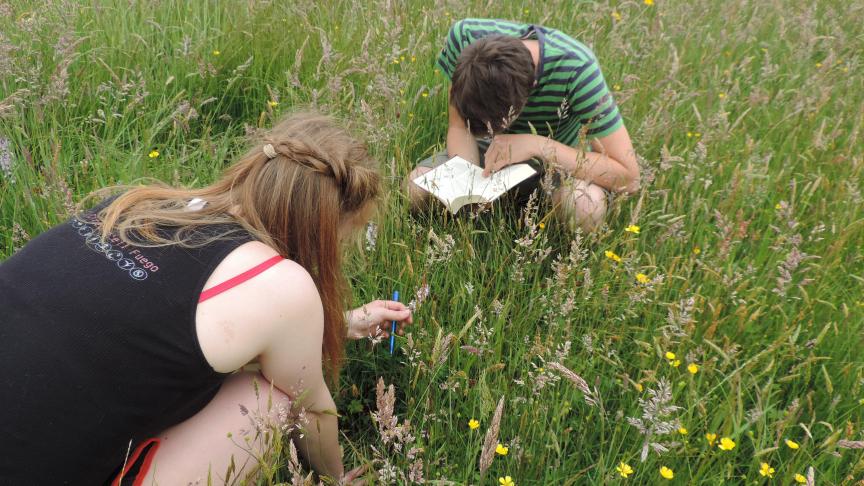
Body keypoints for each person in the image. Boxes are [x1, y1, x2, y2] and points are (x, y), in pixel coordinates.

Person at [0, 112, 412, 484]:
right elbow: (314, 411)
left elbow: (148, 324)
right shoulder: (279, 284)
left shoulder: (141, 207)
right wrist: (336, 477)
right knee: (271, 399)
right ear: (324, 228)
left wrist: (340, 323)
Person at [407, 18, 640, 231]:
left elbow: (629, 178)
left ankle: (549, 240)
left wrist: (538, 145)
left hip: (554, 166)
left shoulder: (578, 68)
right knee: (416, 189)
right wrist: (468, 185)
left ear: (532, 90)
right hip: (484, 157)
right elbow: (460, 128)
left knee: (585, 206)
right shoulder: (465, 38)